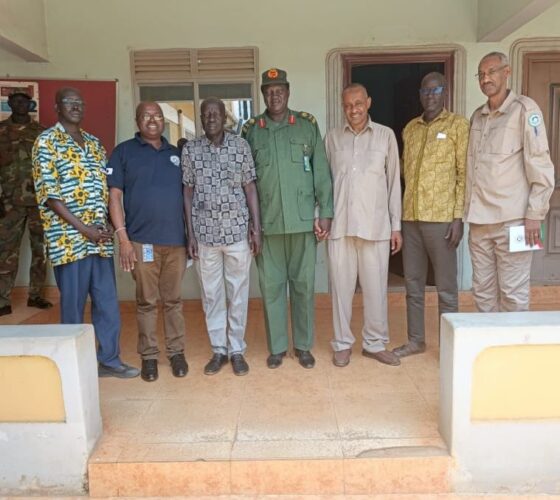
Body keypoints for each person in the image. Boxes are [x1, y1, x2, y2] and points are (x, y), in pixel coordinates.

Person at [32, 87, 139, 378]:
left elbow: (104, 190)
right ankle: (73, 368)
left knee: (107, 303)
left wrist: (105, 225)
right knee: (73, 307)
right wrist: (84, 230)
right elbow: (50, 196)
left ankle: (110, 360)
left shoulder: (94, 143)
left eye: (79, 102)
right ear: (57, 107)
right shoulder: (46, 142)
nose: (75, 106)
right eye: (69, 102)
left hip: (99, 241)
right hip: (70, 242)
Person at [242, 68, 333, 369]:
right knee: (271, 288)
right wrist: (251, 225)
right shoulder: (252, 130)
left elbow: (321, 171)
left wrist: (326, 213)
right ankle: (278, 347)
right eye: (269, 91)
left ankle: (303, 346)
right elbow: (245, 182)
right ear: (263, 95)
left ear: (288, 92)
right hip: (267, 225)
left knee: (304, 286)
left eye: (279, 90)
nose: (275, 96)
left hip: (303, 223)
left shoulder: (306, 126)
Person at [464, 52, 554, 312]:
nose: (486, 79)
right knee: (482, 293)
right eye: (481, 74)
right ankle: (489, 339)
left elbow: (540, 163)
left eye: (491, 72)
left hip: (516, 222)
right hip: (479, 222)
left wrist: (535, 215)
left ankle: (514, 340)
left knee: (513, 294)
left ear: (507, 72)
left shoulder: (525, 110)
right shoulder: (477, 116)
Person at [108, 102, 188, 382]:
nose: (152, 120)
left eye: (157, 116)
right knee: (146, 302)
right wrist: (123, 239)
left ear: (163, 121)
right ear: (137, 120)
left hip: (176, 242)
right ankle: (149, 356)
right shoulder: (123, 152)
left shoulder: (176, 154)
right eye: (146, 116)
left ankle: (176, 352)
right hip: (142, 243)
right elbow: (114, 197)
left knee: (173, 300)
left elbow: (188, 197)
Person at [182, 97, 261, 376]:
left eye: (216, 113)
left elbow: (250, 187)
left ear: (224, 117)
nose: (212, 118)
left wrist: (256, 228)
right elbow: (187, 191)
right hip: (205, 236)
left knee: (238, 293)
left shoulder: (240, 146)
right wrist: (190, 234)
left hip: (237, 232)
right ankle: (219, 350)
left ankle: (237, 349)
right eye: (206, 114)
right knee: (211, 295)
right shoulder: (191, 150)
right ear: (201, 119)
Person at [325, 83, 402, 367]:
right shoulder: (332, 138)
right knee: (341, 291)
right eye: (347, 105)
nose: (353, 110)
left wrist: (396, 226)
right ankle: (342, 343)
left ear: (368, 102)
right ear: (342, 107)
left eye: (358, 103)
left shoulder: (385, 136)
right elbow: (324, 183)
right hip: (340, 227)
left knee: (376, 290)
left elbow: (394, 183)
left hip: (375, 227)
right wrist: (322, 217)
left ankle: (374, 343)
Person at [393, 73, 469, 358]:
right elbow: (404, 170)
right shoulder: (410, 129)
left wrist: (458, 217)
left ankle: (450, 348)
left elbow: (463, 174)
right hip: (411, 218)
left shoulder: (458, 125)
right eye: (425, 90)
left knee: (446, 288)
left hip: (442, 221)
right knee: (413, 285)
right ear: (420, 93)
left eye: (436, 90)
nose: (430, 95)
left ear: (445, 92)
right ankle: (416, 341)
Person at [0, 91, 52, 316]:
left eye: (25, 101)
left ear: (31, 105)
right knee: (5, 251)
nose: (21, 104)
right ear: (9, 103)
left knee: (41, 250)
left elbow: (51, 168)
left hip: (40, 203)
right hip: (8, 203)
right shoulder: (1, 131)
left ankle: (36, 295)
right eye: (16, 101)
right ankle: (2, 300)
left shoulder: (42, 133)